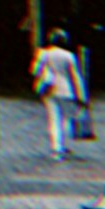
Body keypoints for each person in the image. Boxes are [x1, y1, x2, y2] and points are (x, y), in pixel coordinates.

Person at [29, 30, 89, 161]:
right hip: (65, 90)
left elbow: (34, 70)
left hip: (49, 89)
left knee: (53, 118)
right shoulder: (68, 56)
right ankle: (62, 145)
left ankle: (55, 147)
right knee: (66, 119)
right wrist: (81, 96)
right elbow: (75, 77)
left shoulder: (43, 53)